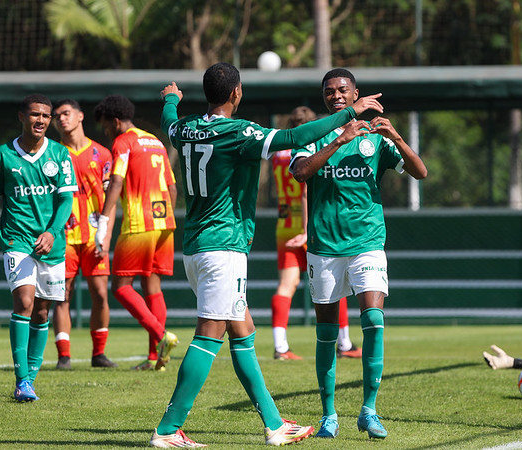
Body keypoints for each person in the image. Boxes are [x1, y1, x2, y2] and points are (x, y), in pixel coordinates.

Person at [148, 62, 383, 447]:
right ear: (237, 93)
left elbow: (169, 120)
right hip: (222, 246)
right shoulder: (237, 132)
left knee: (243, 333)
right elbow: (295, 136)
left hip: (196, 247)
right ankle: (169, 428)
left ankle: (275, 425)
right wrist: (348, 113)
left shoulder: (185, 128)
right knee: (209, 333)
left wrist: (172, 99)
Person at [289, 68, 428, 440]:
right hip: (324, 246)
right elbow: (301, 173)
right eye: (330, 91)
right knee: (326, 333)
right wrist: (338, 139)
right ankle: (329, 415)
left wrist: (395, 136)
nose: (336, 95)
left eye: (342, 89)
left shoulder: (373, 140)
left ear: (356, 93)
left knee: (373, 319)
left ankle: (369, 409)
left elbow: (420, 172)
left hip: (367, 241)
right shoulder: (313, 135)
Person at [0, 94, 77, 401]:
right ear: (22, 117)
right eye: (35, 115)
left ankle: (30, 380)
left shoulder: (59, 154)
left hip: (51, 244)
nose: (42, 121)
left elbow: (65, 200)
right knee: (24, 302)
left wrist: (52, 232)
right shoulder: (3, 156)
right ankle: (21, 380)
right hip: (16, 240)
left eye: (46, 116)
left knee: (43, 310)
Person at [93, 95, 178, 371]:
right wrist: (166, 217)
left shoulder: (123, 141)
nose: (106, 132)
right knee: (152, 286)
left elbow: (116, 180)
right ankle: (156, 358)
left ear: (115, 121)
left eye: (106, 126)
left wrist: (103, 223)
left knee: (120, 287)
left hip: (139, 224)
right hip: (164, 222)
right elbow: (172, 186)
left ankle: (161, 336)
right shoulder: (155, 141)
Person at [270, 105, 360, 360]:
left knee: (286, 285)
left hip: (284, 224)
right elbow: (307, 190)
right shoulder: (313, 149)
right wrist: (307, 230)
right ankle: (344, 345)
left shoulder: (279, 154)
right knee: (335, 282)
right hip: (312, 223)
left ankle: (280, 346)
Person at [51, 99, 117, 369]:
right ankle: (63, 356)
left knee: (100, 293)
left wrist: (106, 236)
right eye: (57, 116)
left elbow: (110, 202)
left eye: (65, 113)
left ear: (80, 116)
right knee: (62, 294)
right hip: (64, 236)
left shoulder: (102, 154)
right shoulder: (52, 153)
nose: (61, 119)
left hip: (93, 236)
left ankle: (98, 354)